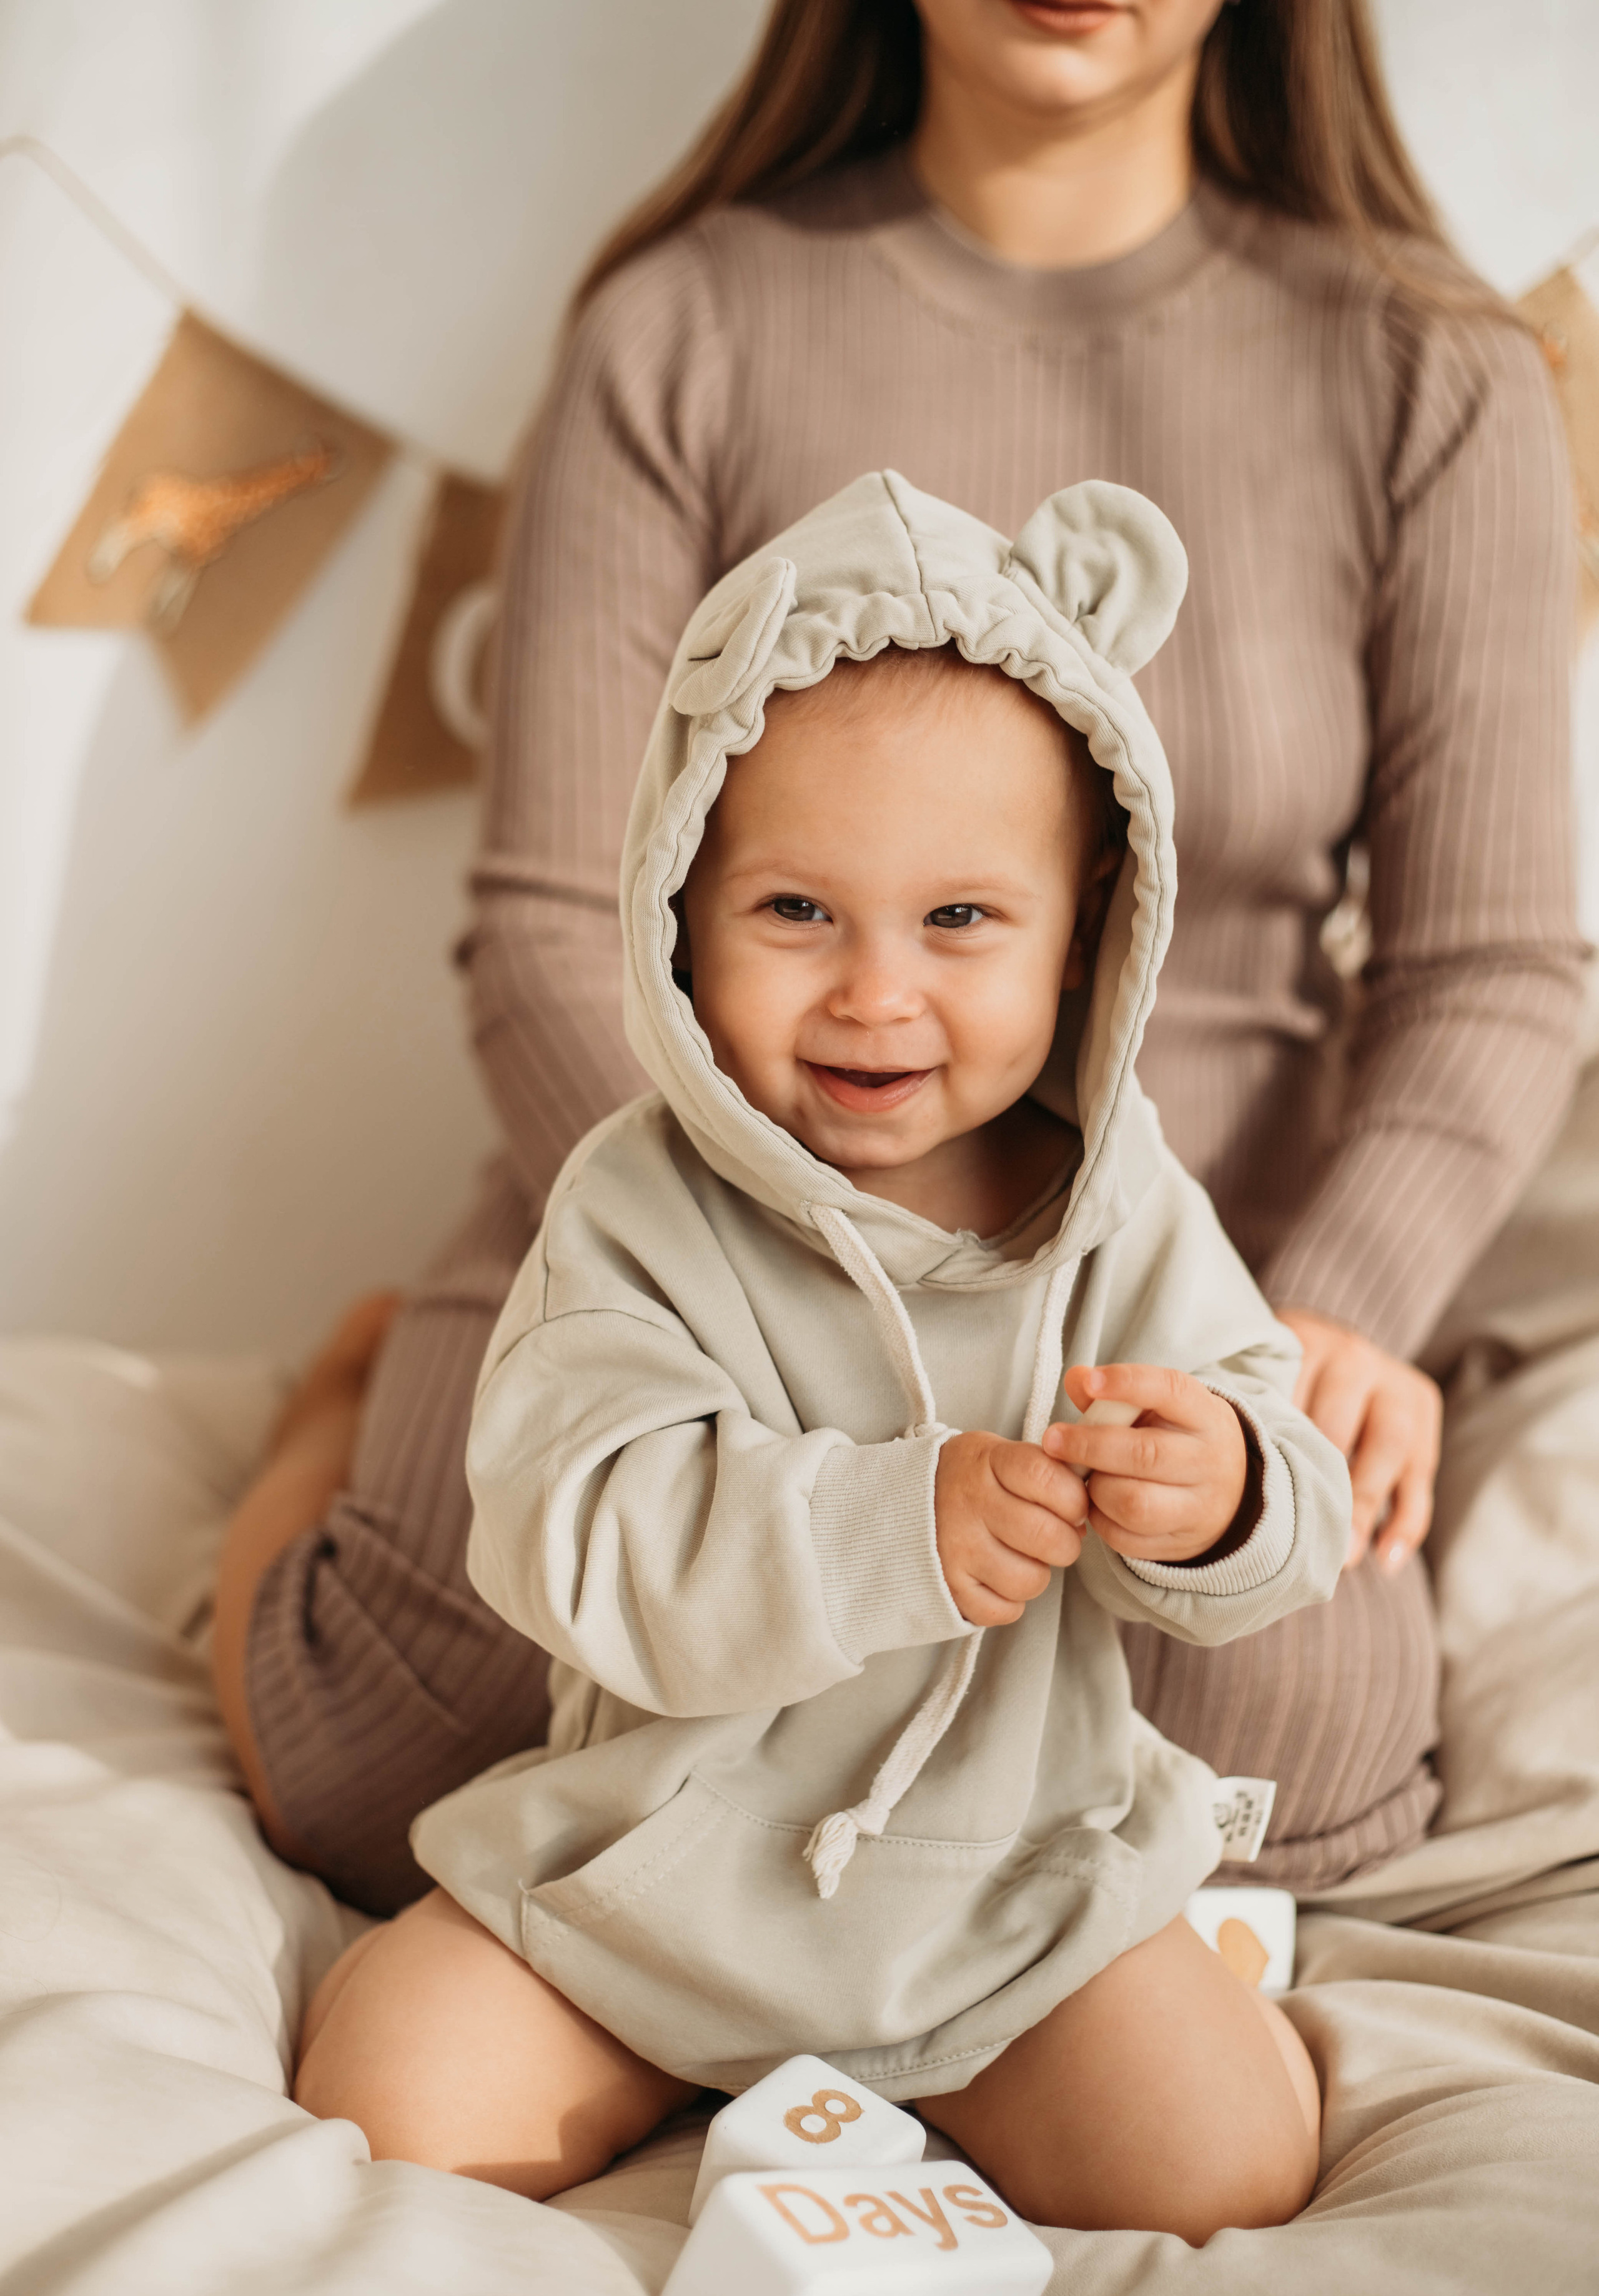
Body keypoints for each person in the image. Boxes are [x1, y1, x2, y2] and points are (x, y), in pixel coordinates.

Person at [213, 0, 1582, 1918]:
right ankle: (331, 1407)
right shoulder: (683, 325)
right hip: (701, 1227)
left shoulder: (1429, 368)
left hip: (1160, 1283)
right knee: (395, 1771)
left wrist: (1327, 1326)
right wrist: (776, 1310)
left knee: (1306, 1768)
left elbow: (1495, 963)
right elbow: (544, 927)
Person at [294, 472, 1346, 2239]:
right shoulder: (637, 1207)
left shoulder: (1120, 1205)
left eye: (959, 922)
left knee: (1236, 2161)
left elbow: (1285, 1498)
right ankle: (324, 1412)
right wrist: (895, 1525)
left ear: (1086, 929)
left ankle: (957, 2065)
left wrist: (1224, 1491)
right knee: (391, 2100)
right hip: (656, 1878)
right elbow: (577, 1527)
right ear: (680, 907)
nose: (877, 994)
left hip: (1005, 1885)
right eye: (797, 914)